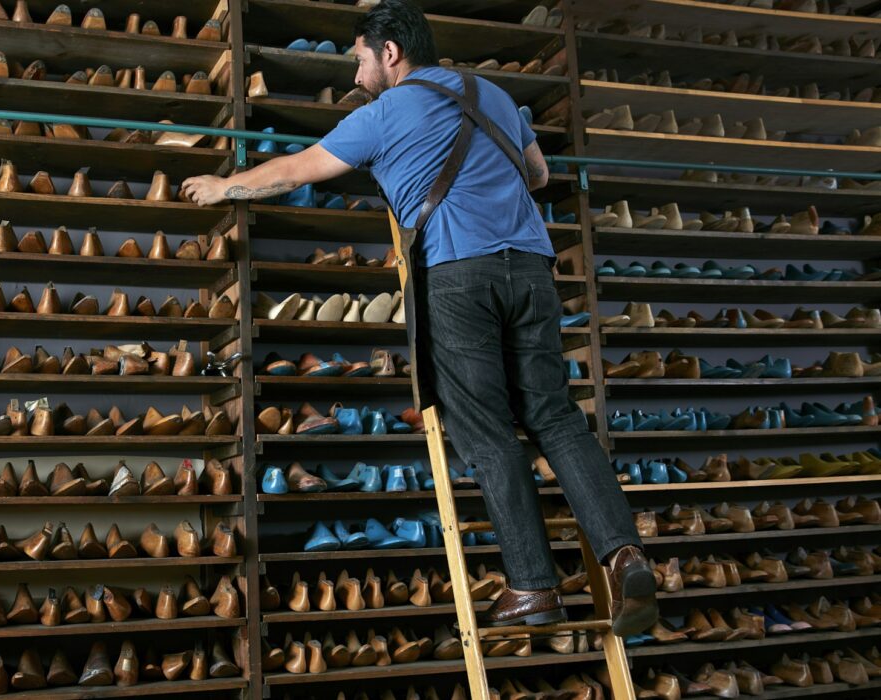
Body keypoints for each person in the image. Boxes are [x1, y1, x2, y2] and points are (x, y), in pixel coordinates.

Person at [181, 0, 658, 636]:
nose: (355, 76)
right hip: (533, 269)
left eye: (359, 60)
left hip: (459, 271)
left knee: (485, 429)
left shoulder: (382, 113)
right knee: (556, 417)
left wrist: (222, 187)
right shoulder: (489, 92)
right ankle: (624, 554)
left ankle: (534, 587)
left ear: (390, 53)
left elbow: (296, 170)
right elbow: (538, 175)